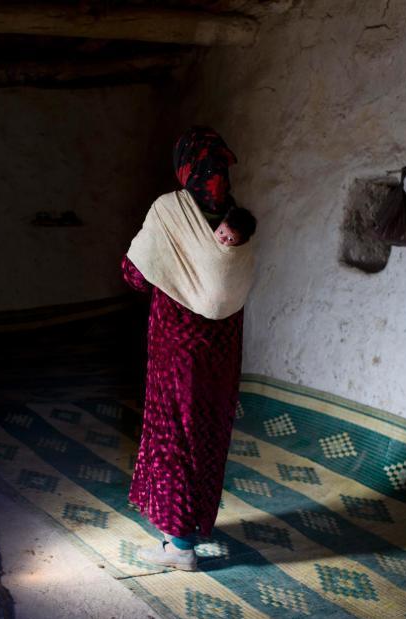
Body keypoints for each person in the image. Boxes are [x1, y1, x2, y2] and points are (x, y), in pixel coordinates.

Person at [122, 126, 257, 571]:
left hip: (177, 348)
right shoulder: (236, 217)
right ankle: (188, 527)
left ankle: (178, 548)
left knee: (173, 436)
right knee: (206, 433)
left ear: (185, 167)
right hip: (221, 349)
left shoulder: (169, 210)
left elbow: (135, 274)